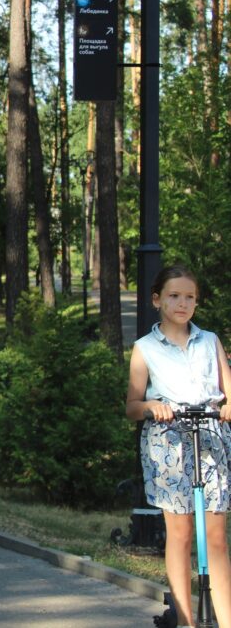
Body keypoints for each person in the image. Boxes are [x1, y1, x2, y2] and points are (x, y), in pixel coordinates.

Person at [126, 265, 231, 627]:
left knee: (216, 536)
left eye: (190, 297)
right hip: (169, 444)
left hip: (210, 440)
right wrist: (153, 408)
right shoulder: (144, 349)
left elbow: (229, 394)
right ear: (157, 300)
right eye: (174, 295)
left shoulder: (210, 341)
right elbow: (131, 407)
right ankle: (185, 619)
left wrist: (227, 408)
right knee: (181, 532)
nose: (182, 303)